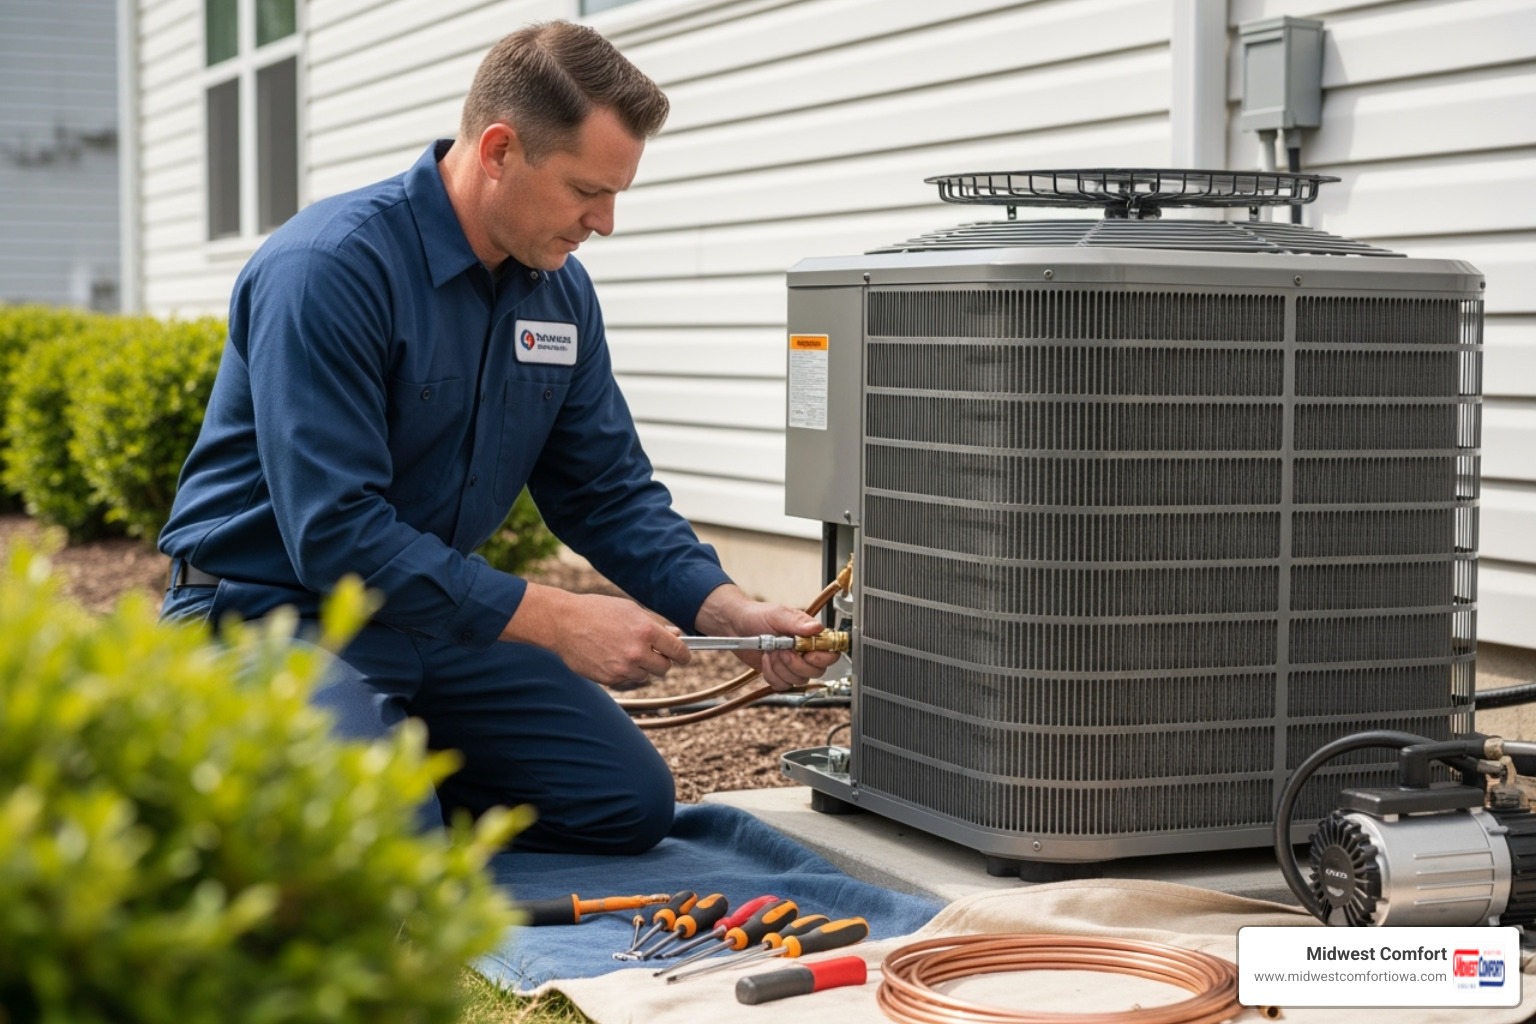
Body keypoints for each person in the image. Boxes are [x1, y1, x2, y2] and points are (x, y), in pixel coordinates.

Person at [158, 21, 836, 855]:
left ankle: (378, 769)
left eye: (617, 194)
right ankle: (334, 786)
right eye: (587, 190)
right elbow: (334, 534)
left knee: (627, 803)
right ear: (499, 150)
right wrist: (555, 618)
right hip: (264, 613)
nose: (605, 222)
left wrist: (728, 609)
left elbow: (605, 492)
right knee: (376, 840)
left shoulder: (558, 295)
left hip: (424, 621)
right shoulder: (330, 269)